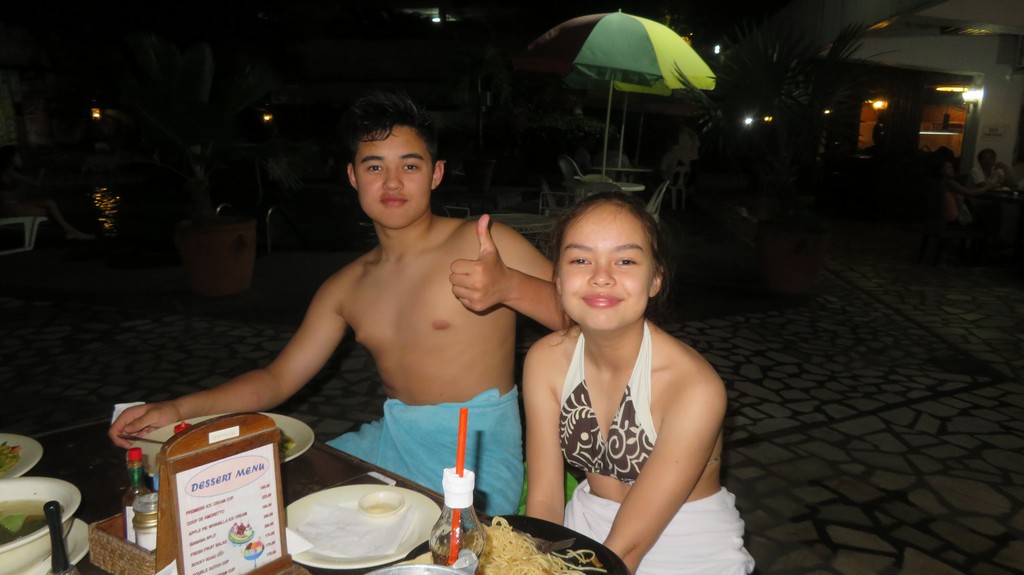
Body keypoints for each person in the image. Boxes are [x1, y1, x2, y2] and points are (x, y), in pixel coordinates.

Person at [109, 91, 561, 515]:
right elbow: (277, 379)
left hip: (474, 458)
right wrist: (178, 410)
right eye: (374, 166)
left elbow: (586, 318)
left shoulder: (485, 244)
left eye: (410, 165)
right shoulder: (345, 286)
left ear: (436, 173)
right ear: (352, 177)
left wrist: (511, 286)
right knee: (268, 494)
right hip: (392, 439)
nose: (392, 182)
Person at [523, 192, 755, 574]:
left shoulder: (692, 387)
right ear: (559, 279)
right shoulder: (545, 361)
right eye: (580, 260)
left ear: (655, 280)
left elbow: (625, 550)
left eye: (625, 261)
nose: (601, 276)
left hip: (685, 548)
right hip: (587, 528)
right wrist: (533, 562)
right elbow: (545, 499)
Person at [0, 145, 95, 240]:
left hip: (11, 205)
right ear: (10, 159)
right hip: (9, 207)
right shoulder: (9, 172)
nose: (20, 159)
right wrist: (43, 167)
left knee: (51, 208)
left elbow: (31, 179)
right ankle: (71, 231)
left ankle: (70, 231)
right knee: (51, 208)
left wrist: (40, 170)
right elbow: (35, 183)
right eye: (18, 157)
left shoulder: (8, 172)